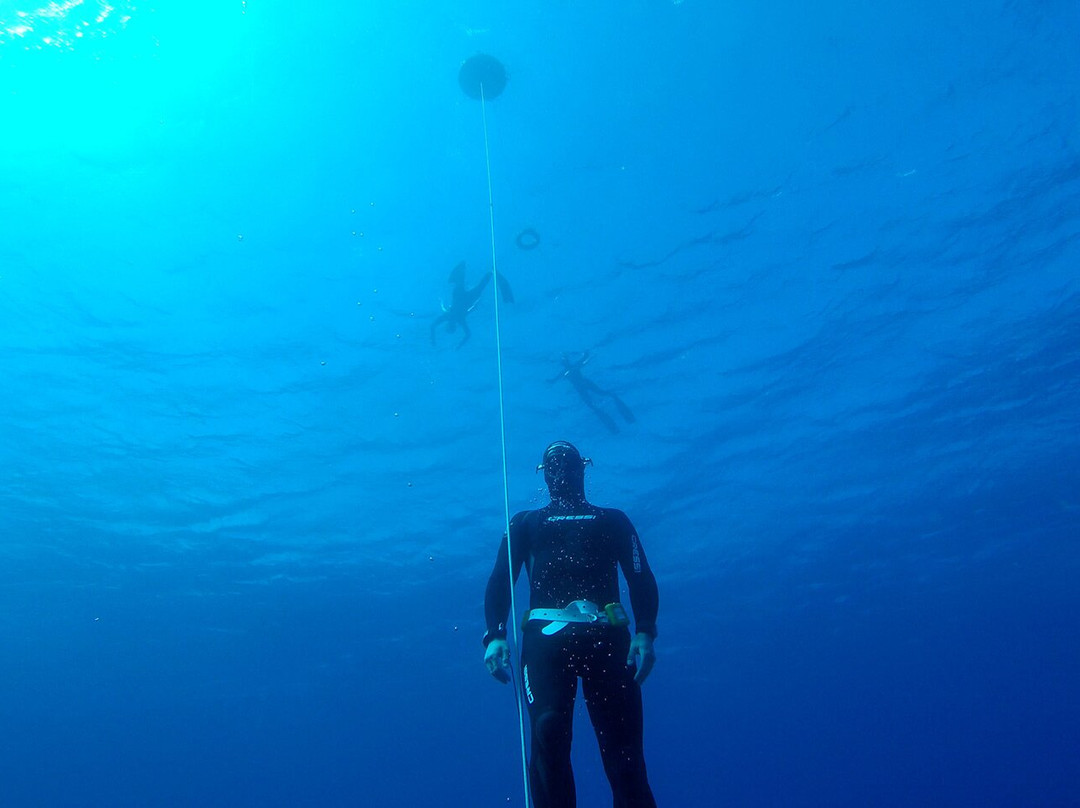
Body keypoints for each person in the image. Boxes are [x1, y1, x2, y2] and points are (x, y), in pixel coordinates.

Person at [483, 441, 659, 808]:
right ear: (544, 474)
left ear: (583, 469)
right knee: (548, 732)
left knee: (625, 752)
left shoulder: (613, 519)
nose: (561, 470)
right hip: (546, 642)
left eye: (568, 463)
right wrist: (495, 635)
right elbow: (501, 579)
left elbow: (640, 575)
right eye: (553, 464)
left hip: (608, 637)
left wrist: (645, 630)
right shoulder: (525, 523)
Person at [548, 351, 636, 434]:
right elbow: (554, 379)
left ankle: (619, 417)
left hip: (584, 384)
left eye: (565, 361)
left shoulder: (570, 369)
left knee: (599, 397)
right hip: (582, 386)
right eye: (564, 362)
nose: (565, 363)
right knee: (594, 402)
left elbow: (584, 358)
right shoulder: (566, 371)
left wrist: (586, 354)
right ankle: (614, 424)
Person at [430, 260, 514, 347]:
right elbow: (433, 326)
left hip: (462, 298)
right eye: (451, 327)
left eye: (450, 326)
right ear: (452, 326)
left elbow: (467, 334)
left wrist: (434, 340)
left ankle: (488, 272)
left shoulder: (452, 318)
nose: (451, 324)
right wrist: (459, 344)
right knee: (474, 286)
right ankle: (489, 272)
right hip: (464, 299)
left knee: (473, 286)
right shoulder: (455, 319)